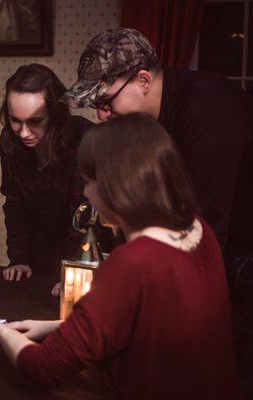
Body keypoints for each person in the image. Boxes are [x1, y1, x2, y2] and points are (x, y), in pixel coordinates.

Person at [0, 113, 243, 399]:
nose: (87, 193)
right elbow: (152, 325)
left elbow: (42, 367)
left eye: (89, 182)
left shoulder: (133, 261)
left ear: (116, 186)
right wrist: (55, 327)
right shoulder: (200, 229)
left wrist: (2, 333)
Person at [62, 27, 253, 394]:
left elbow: (202, 229)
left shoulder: (210, 112)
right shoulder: (150, 123)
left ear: (144, 81)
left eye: (106, 101)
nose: (101, 115)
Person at [0, 64, 92, 284]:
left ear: (55, 112)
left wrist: (71, 270)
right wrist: (19, 259)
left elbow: (82, 215)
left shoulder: (83, 138)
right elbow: (15, 203)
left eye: (35, 121)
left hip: (82, 252)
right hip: (37, 253)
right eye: (15, 120)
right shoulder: (10, 140)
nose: (23, 133)